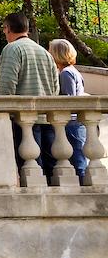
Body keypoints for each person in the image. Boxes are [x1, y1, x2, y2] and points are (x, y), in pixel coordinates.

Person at [0, 12, 59, 174]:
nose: (4, 33)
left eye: (4, 29)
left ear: (8, 28)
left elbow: (7, 85)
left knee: (31, 171)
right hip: (47, 119)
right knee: (51, 169)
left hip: (24, 120)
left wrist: (3, 111)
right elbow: (55, 88)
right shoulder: (45, 53)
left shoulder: (11, 49)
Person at [49, 38, 89, 180]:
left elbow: (69, 100)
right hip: (76, 123)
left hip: (72, 124)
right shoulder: (73, 71)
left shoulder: (66, 73)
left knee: (78, 161)